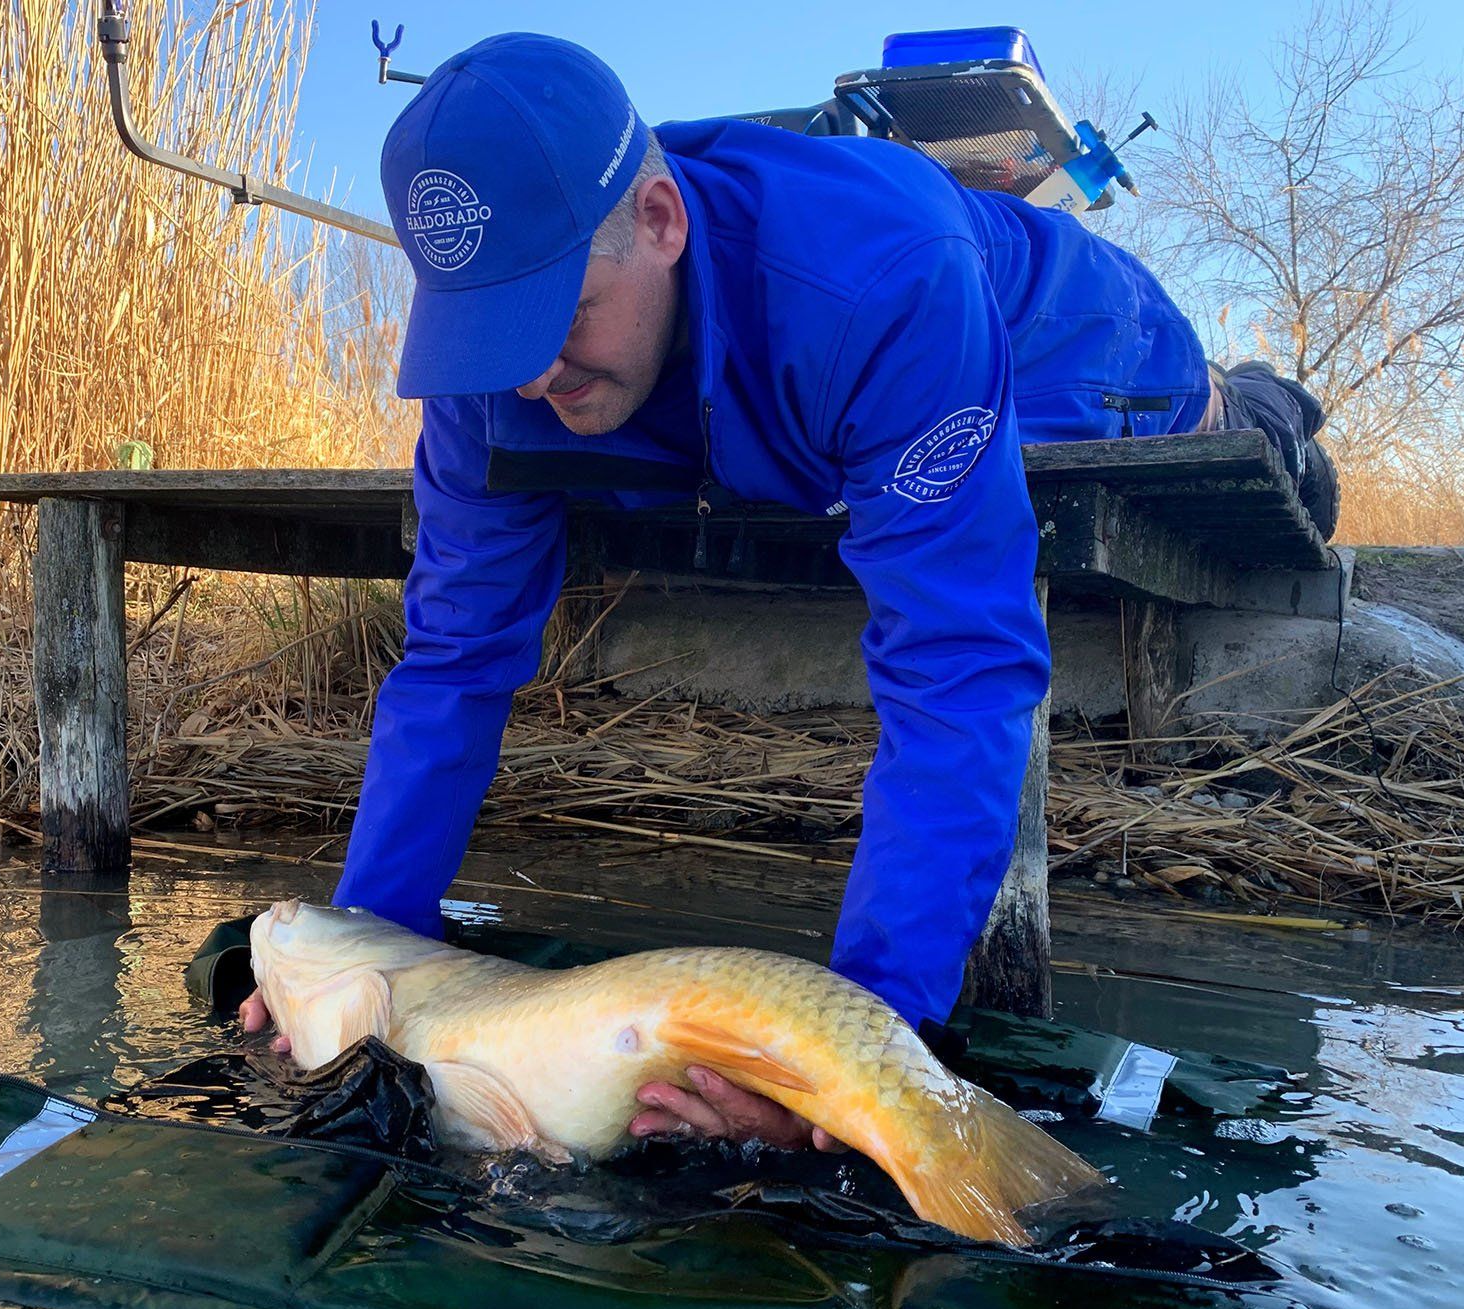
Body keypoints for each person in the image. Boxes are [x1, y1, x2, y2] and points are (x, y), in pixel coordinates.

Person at [241, 32, 1334, 1152]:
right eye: (492, 329)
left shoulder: (879, 279)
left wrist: (853, 1053)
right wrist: (355, 960)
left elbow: (957, 664)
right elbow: (455, 659)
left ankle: (1262, 404)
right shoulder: (495, 374)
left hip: (1061, 332)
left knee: (1195, 413)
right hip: (772, 398)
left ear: (659, 222)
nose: (529, 376)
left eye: (557, 316)